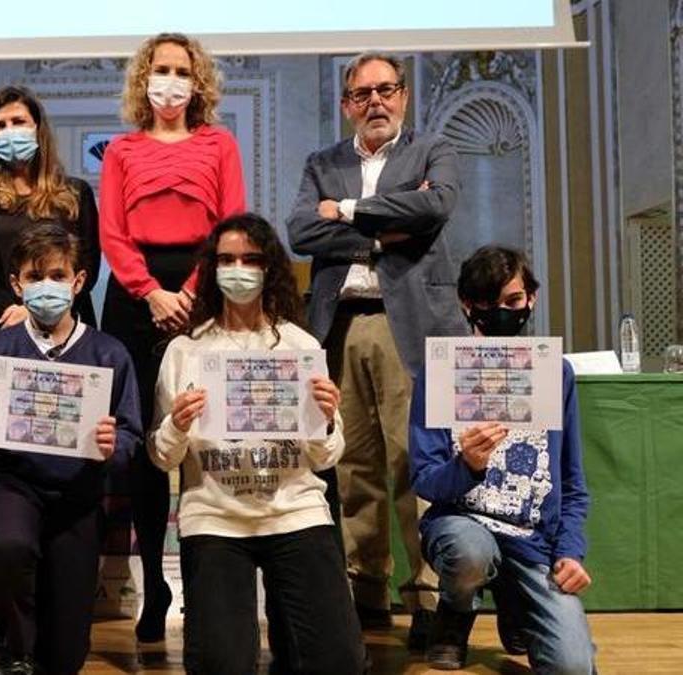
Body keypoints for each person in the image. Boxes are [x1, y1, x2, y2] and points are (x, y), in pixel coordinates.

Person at [285, 51, 468, 646]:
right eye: (361, 95)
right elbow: (300, 231)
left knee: (411, 460)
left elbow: (435, 206)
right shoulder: (323, 162)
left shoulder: (432, 151)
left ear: (404, 96)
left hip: (405, 322)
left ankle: (428, 597)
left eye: (385, 90)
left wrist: (348, 212)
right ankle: (367, 588)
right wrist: (387, 228)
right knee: (354, 463)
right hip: (338, 322)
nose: (375, 103)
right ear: (346, 106)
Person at [150, 213, 364, 674]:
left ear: (269, 268)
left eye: (250, 258)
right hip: (215, 518)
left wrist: (326, 420)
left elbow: (325, 456)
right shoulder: (185, 350)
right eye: (226, 259)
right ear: (212, 269)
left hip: (295, 511)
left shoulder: (299, 345)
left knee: (340, 661)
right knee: (220, 664)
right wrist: (178, 424)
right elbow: (162, 455)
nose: (238, 268)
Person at [99, 32, 246, 643]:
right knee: (141, 447)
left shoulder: (220, 144)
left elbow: (230, 225)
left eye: (181, 70)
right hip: (135, 297)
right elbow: (111, 232)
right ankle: (153, 587)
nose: (170, 80)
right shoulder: (122, 151)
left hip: (202, 288)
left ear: (198, 81)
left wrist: (189, 290)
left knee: (198, 432)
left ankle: (203, 582)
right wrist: (150, 292)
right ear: (143, 79)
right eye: (159, 69)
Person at [0, 86, 100, 634]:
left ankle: (58, 589)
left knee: (64, 453)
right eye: (1, 123)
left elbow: (91, 264)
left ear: (40, 127)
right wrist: (8, 308)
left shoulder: (74, 192)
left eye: (20, 120)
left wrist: (43, 307)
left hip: (64, 345)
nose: (12, 131)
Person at [0, 224, 141, 674]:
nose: (48, 287)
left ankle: (33, 636)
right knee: (6, 544)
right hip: (12, 483)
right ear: (17, 284)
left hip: (77, 495)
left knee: (65, 657)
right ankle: (13, 643)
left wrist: (112, 445)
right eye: (35, 276)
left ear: (79, 282)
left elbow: (131, 437)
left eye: (58, 276)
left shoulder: (108, 353)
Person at [410, 246, 595, 673]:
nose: (502, 312)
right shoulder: (439, 373)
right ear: (466, 304)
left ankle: (516, 602)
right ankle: (455, 612)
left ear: (531, 298)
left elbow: (573, 483)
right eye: (488, 303)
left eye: (513, 301)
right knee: (470, 553)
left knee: (574, 667)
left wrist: (571, 553)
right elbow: (424, 478)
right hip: (463, 527)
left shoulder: (556, 373)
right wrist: (466, 466)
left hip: (533, 542)